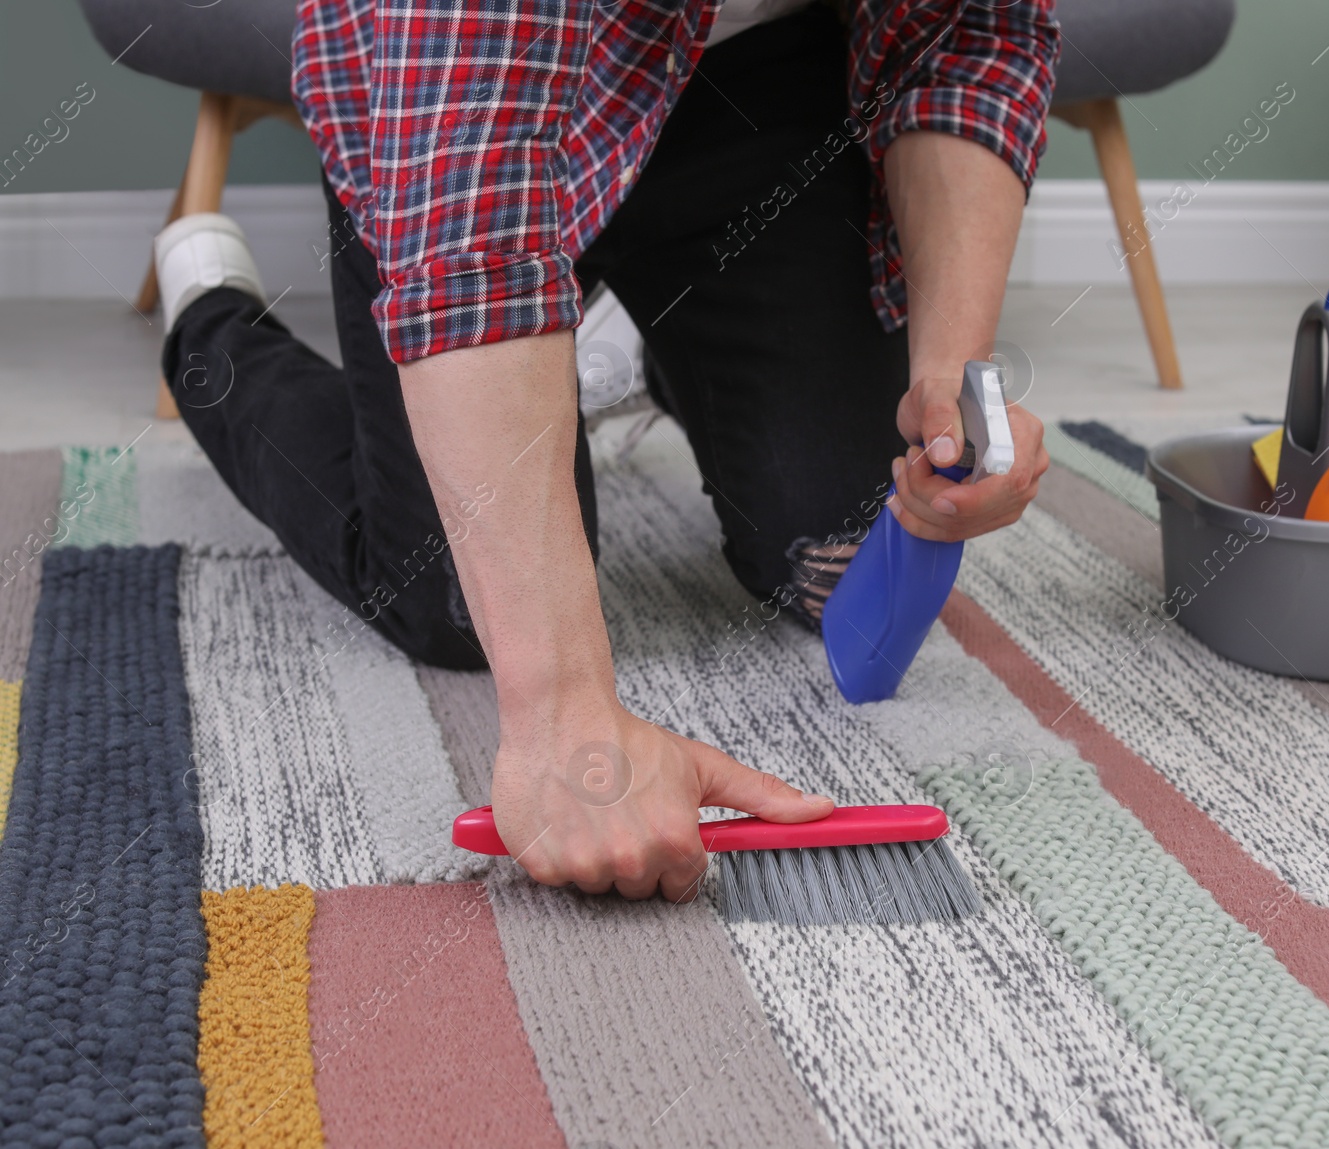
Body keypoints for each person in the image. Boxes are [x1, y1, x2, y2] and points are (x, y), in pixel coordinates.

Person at [153, 0, 1058, 904]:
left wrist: (948, 377)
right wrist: (561, 719)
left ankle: (622, 342)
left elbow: (973, 36)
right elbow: (467, 238)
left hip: (752, 80)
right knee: (454, 602)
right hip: (443, 121)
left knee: (835, 548)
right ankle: (211, 324)